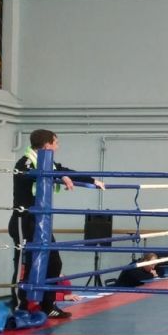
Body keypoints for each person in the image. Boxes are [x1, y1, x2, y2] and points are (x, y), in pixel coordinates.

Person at [9, 129, 104, 319]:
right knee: (24, 264)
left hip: (40, 223)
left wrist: (92, 180)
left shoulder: (49, 164)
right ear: (47, 145)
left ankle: (48, 305)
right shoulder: (25, 162)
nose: (57, 146)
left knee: (54, 263)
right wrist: (57, 175)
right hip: (23, 220)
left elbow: (66, 171)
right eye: (56, 143)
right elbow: (30, 175)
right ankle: (19, 306)